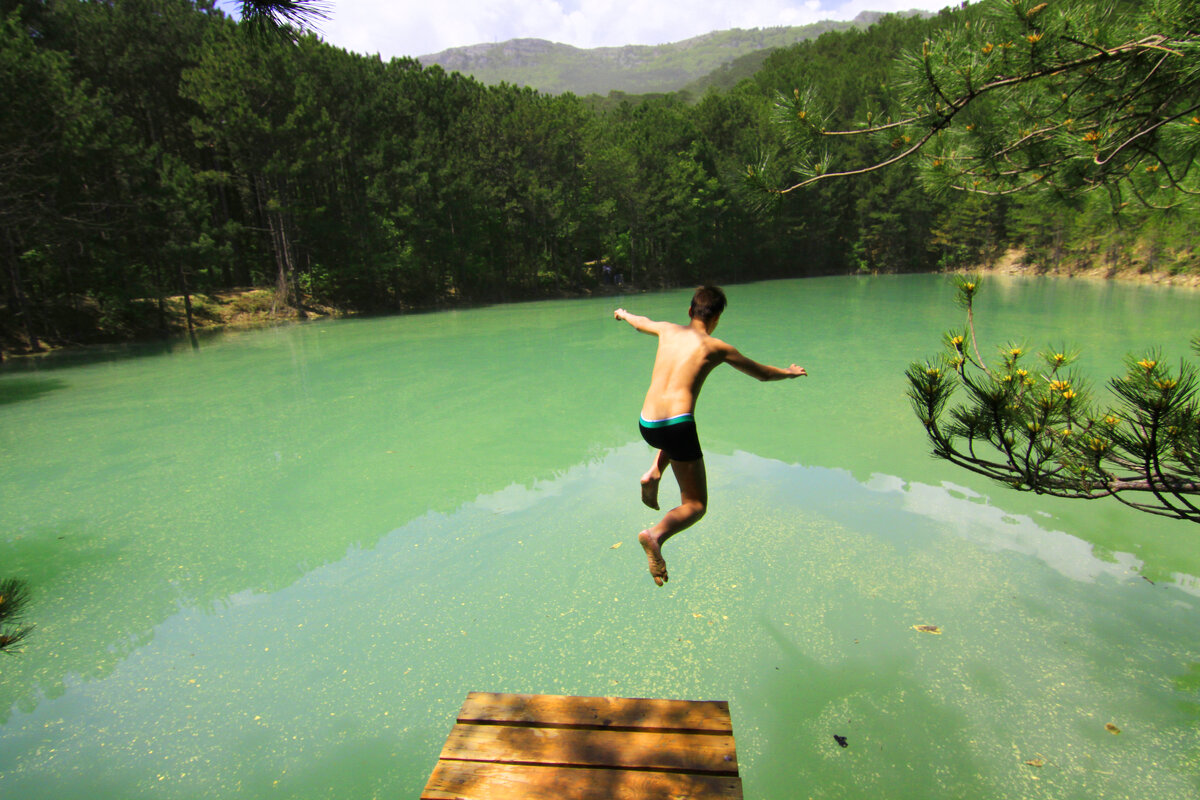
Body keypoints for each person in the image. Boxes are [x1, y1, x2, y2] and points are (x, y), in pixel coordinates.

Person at [614, 286, 807, 586]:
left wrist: (623, 314)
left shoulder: (667, 330)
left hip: (647, 424)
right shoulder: (716, 347)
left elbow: (641, 322)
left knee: (678, 433)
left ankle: (653, 473)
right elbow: (762, 374)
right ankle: (655, 535)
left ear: (690, 311)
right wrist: (790, 372)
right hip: (676, 428)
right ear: (716, 318)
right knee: (696, 505)